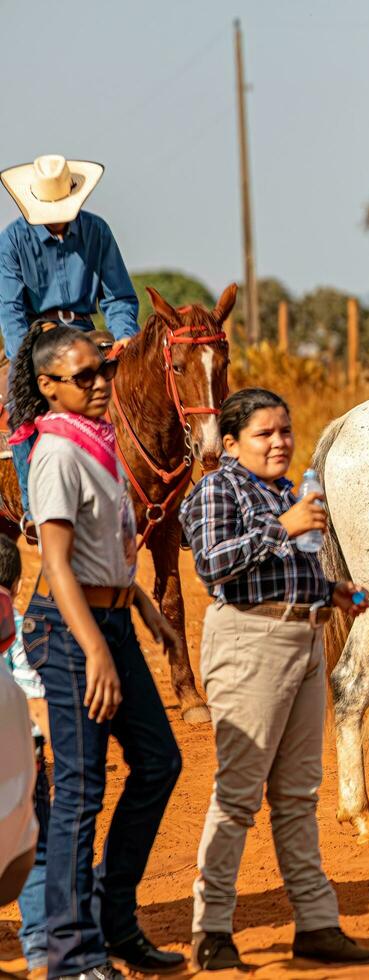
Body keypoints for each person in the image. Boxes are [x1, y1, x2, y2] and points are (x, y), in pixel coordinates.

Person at [181, 387, 369, 971]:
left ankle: (316, 925)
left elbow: (281, 570)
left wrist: (332, 592)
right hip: (249, 644)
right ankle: (211, 930)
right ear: (231, 442)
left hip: (301, 639)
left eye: (285, 432)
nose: (279, 442)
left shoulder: (282, 490)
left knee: (298, 796)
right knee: (239, 794)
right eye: (264, 434)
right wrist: (283, 527)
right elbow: (212, 565)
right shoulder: (218, 487)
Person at [13, 324, 183, 979]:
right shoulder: (57, 452)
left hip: (107, 620)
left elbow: (102, 547)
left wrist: (142, 609)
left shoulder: (99, 444)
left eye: (103, 371)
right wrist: (97, 653)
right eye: (83, 377)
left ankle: (114, 923)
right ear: (50, 384)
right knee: (82, 790)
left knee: (159, 763)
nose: (100, 384)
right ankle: (70, 956)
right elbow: (55, 563)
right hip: (69, 629)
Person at [0, 155, 139, 522]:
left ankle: (156, 495)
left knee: (141, 393)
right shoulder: (12, 241)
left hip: (86, 332)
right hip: (36, 336)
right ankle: (35, 508)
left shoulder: (98, 232)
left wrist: (126, 335)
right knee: (19, 400)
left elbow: (119, 296)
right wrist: (25, 357)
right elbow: (10, 309)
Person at [0, 534, 49, 978]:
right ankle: (39, 947)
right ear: (16, 585)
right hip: (17, 762)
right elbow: (35, 699)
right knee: (38, 851)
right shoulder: (15, 625)